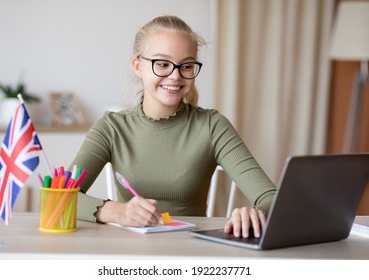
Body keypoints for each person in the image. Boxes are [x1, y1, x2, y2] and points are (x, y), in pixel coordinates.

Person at [71, 14, 276, 238]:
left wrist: (255, 215)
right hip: (128, 255)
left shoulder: (212, 126)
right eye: (162, 64)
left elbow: (271, 198)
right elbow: (59, 197)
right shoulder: (111, 128)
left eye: (186, 66)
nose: (175, 76)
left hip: (192, 253)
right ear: (138, 66)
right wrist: (116, 211)